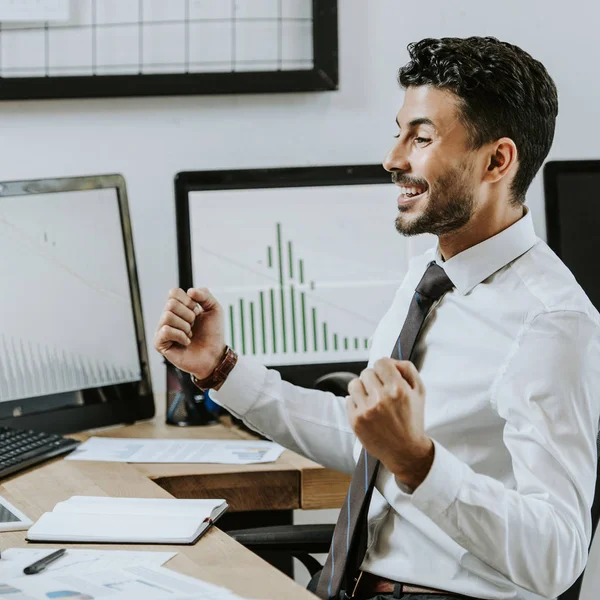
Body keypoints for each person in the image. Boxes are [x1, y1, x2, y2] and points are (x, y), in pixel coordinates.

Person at [154, 37, 600, 600]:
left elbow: (557, 555)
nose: (393, 159)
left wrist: (420, 462)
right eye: (398, 133)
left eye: (421, 138)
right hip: (349, 585)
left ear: (496, 160)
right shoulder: (428, 273)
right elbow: (368, 443)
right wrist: (221, 371)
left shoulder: (551, 322)